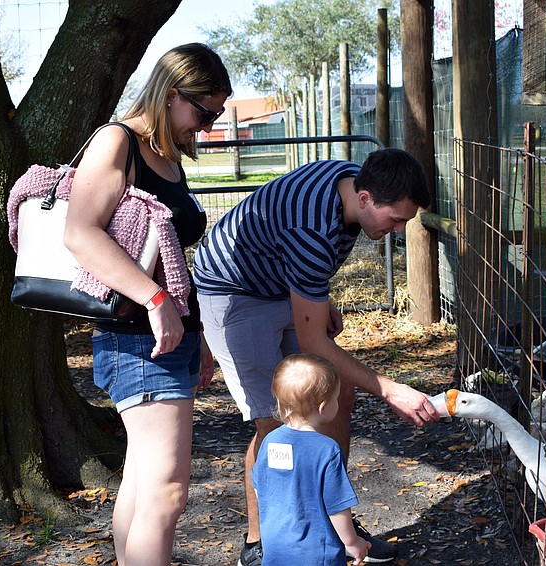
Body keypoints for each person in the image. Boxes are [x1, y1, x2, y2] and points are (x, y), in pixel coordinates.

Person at [193, 147, 442, 565]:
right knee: (277, 422)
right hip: (234, 289)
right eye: (396, 219)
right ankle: (260, 543)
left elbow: (308, 270)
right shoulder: (312, 230)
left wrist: (314, 295)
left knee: (337, 393)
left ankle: (330, 519)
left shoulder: (352, 180)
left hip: (278, 277)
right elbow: (314, 343)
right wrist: (391, 390)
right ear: (364, 199)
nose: (400, 231)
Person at [63, 43, 231, 566]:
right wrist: (154, 298)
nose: (206, 126)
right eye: (204, 112)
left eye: (218, 115)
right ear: (172, 92)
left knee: (142, 482)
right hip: (135, 337)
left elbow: (171, 257)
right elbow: (80, 233)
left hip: (170, 334)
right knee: (167, 492)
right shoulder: (118, 142)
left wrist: (197, 334)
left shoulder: (166, 153)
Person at [251, 354, 371, 566]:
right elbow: (337, 505)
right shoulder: (326, 449)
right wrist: (352, 542)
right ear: (323, 407)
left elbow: (260, 488)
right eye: (335, 398)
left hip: (275, 548)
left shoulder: (270, 442)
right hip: (316, 553)